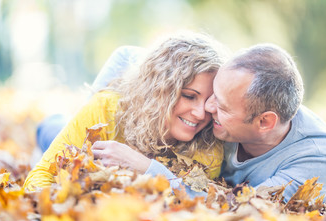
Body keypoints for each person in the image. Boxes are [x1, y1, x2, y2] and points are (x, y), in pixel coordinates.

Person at [24, 31, 228, 195]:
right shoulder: (107, 107)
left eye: (210, 101)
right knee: (51, 129)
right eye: (189, 96)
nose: (201, 114)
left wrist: (147, 168)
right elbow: (40, 175)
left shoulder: (209, 145)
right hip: (66, 127)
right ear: (159, 91)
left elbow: (202, 201)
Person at [204, 43, 326, 202]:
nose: (207, 106)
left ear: (264, 122)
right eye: (213, 93)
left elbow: (242, 207)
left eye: (222, 107)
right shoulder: (223, 111)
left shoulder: (319, 158)